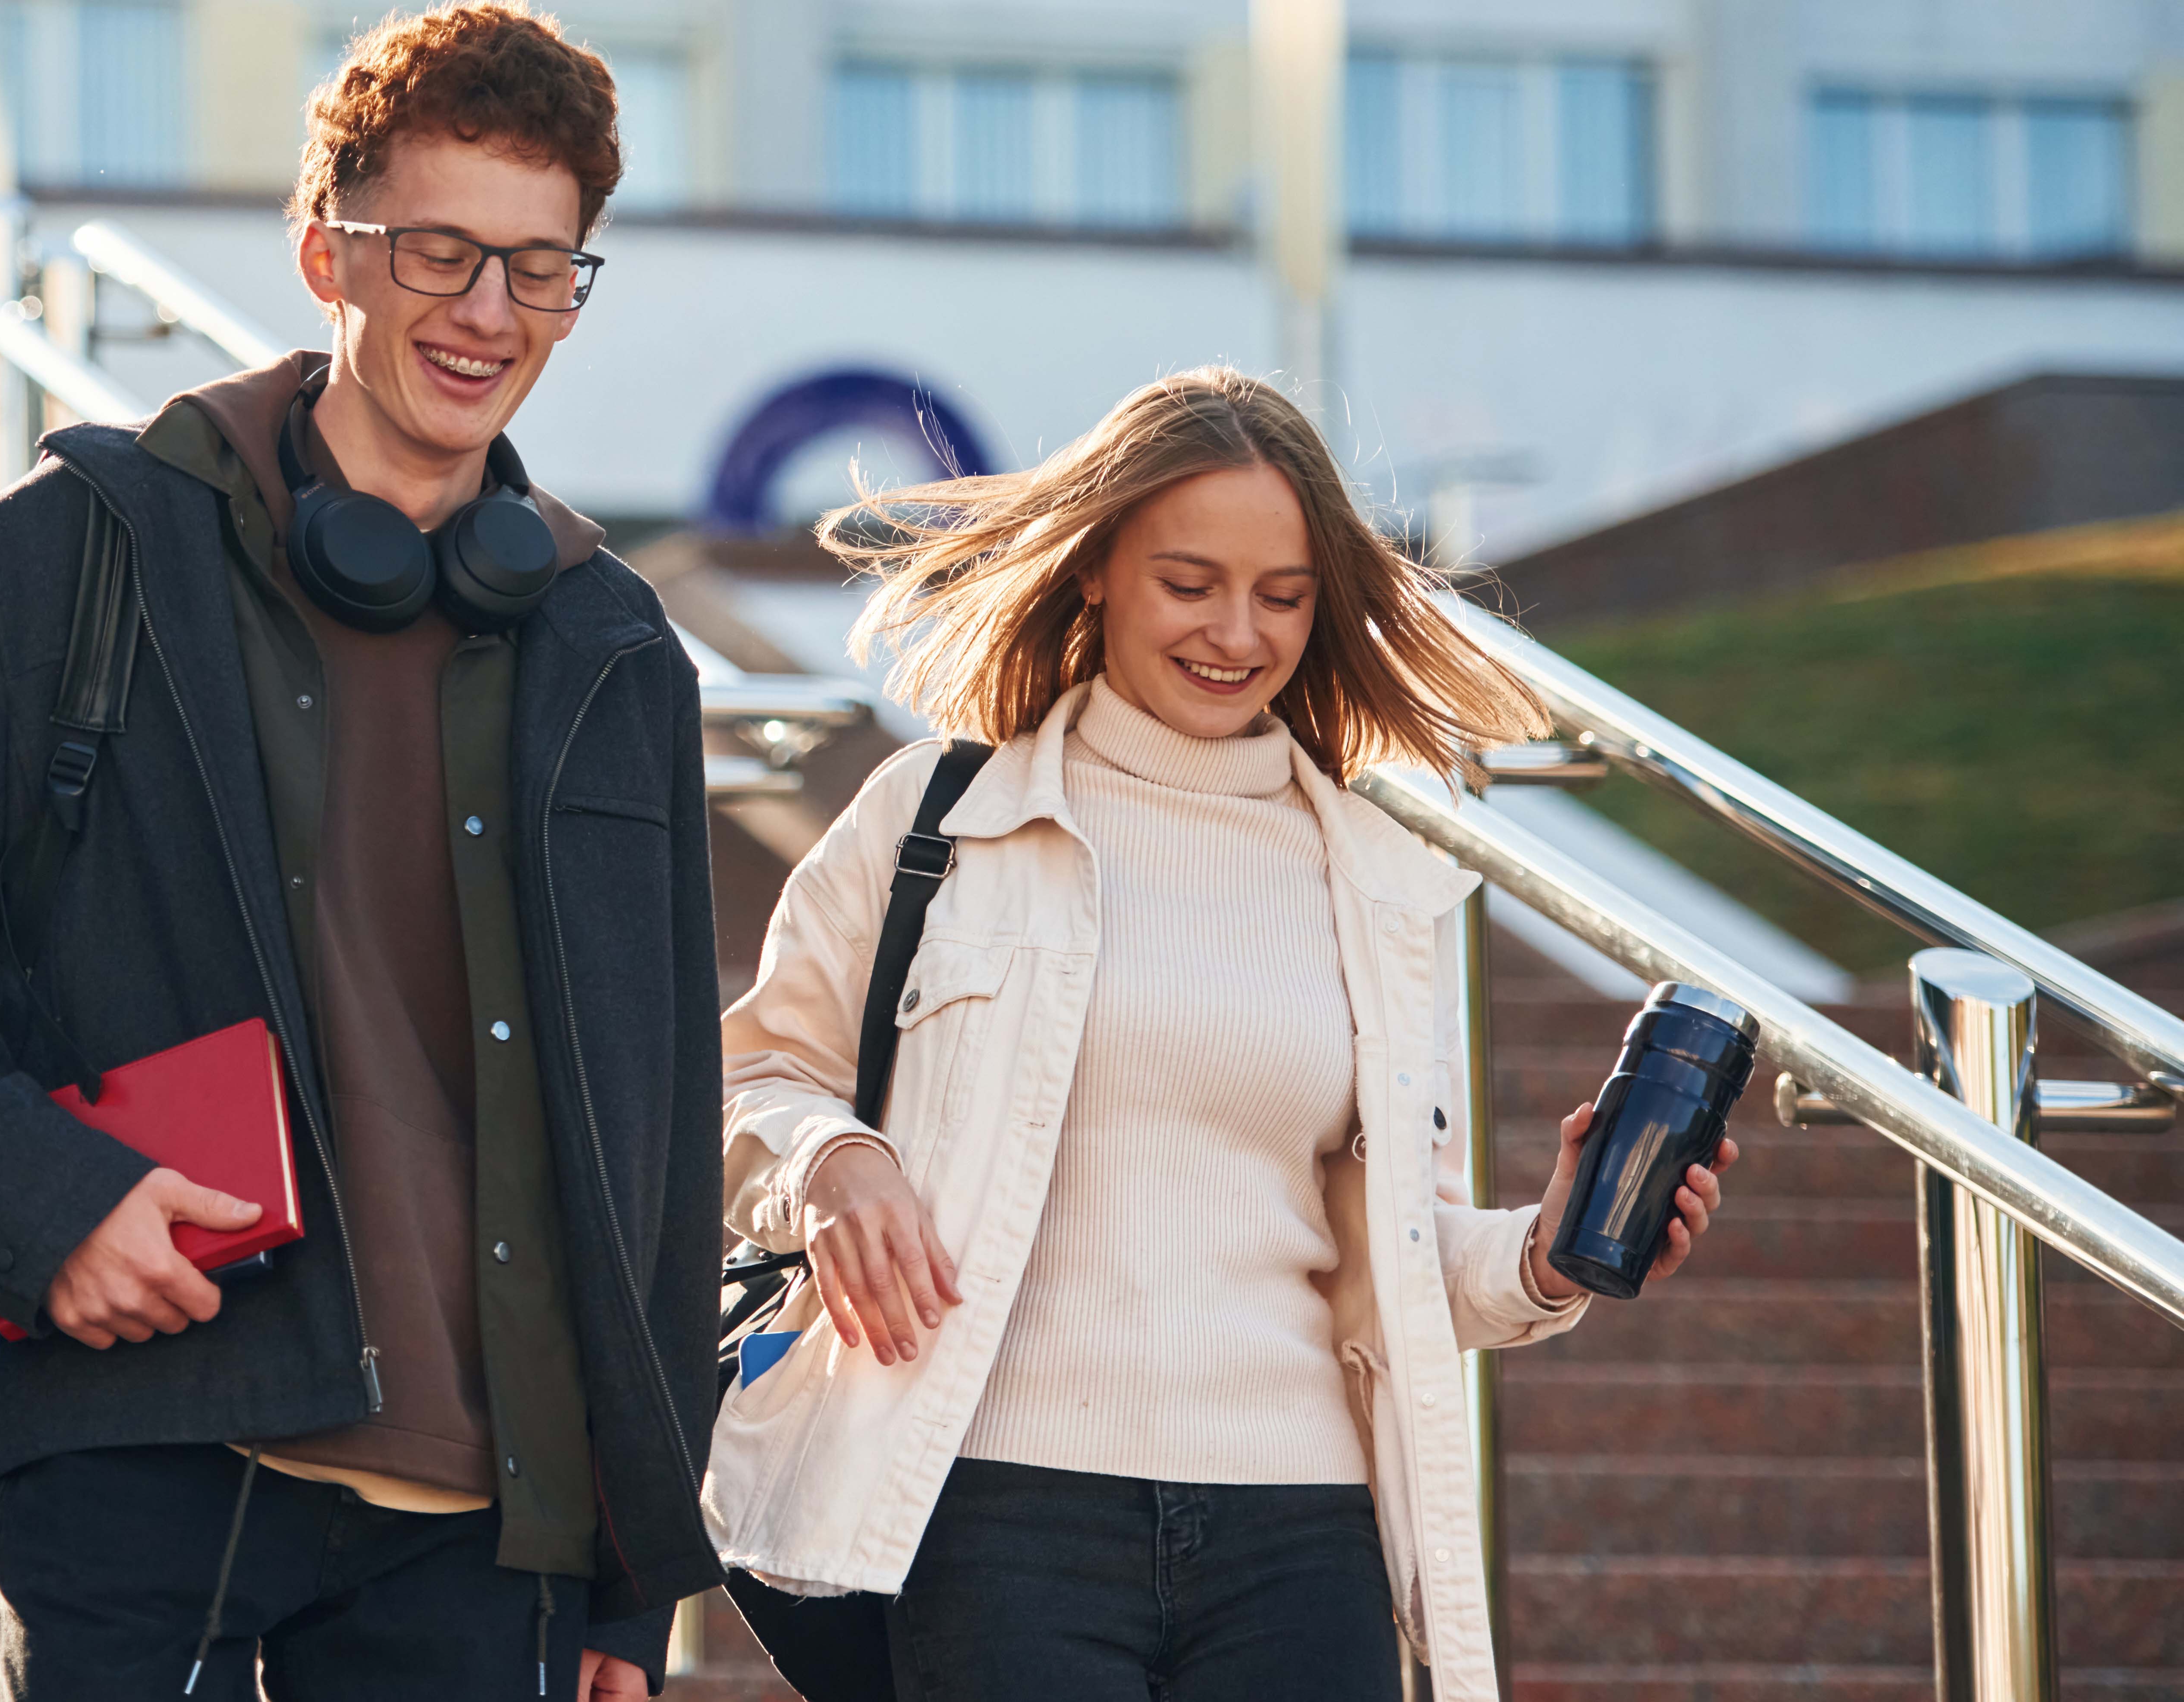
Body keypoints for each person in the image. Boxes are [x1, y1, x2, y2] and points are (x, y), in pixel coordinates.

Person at [0, 7, 722, 1697]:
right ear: (322, 253)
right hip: (155, 1442)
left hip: (497, 1526)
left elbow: (660, 1127)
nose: (489, 314)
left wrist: (633, 1572)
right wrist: (47, 1205)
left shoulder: (612, 646)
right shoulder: (74, 554)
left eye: (541, 269)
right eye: (439, 253)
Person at [700, 368, 1738, 1701]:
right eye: (1189, 584)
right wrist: (835, 1164)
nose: (1237, 634)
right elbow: (745, 1077)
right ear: (1098, 573)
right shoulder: (938, 818)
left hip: (1300, 1532)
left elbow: (1399, 1254)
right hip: (1001, 1509)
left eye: (1284, 594)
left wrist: (1547, 1255)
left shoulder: (1375, 879)